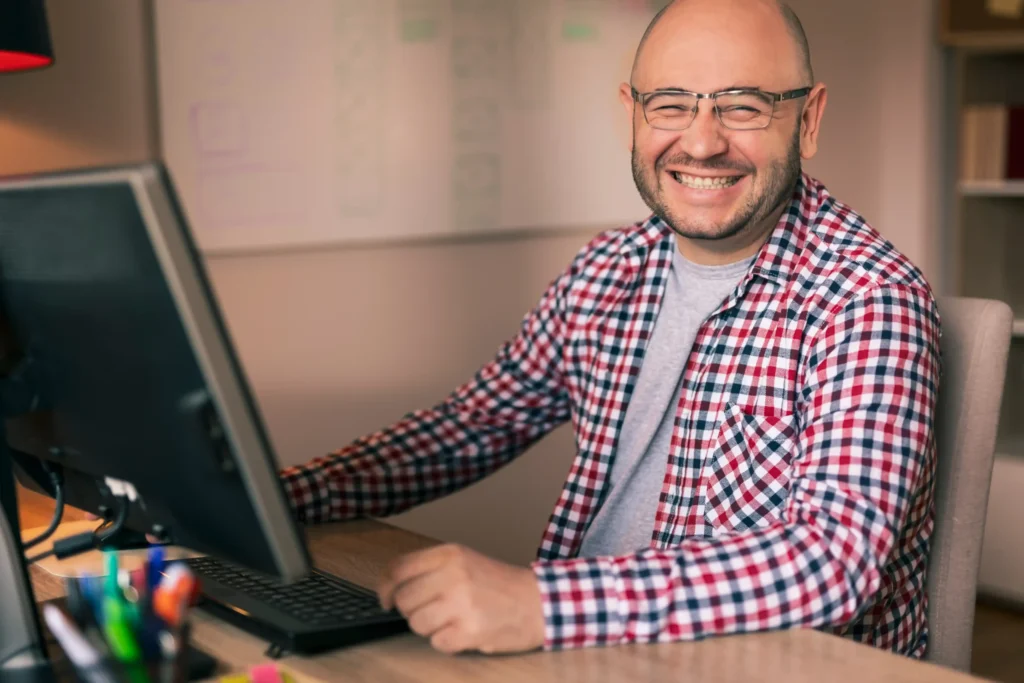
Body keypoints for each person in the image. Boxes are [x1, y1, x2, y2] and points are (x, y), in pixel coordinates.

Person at [281, 0, 940, 658]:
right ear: (632, 111)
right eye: (671, 104)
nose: (702, 141)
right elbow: (472, 426)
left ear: (809, 118)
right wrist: (283, 494)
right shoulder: (607, 269)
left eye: (743, 105)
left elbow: (831, 560)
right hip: (590, 648)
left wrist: (537, 602)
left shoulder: (867, 298)